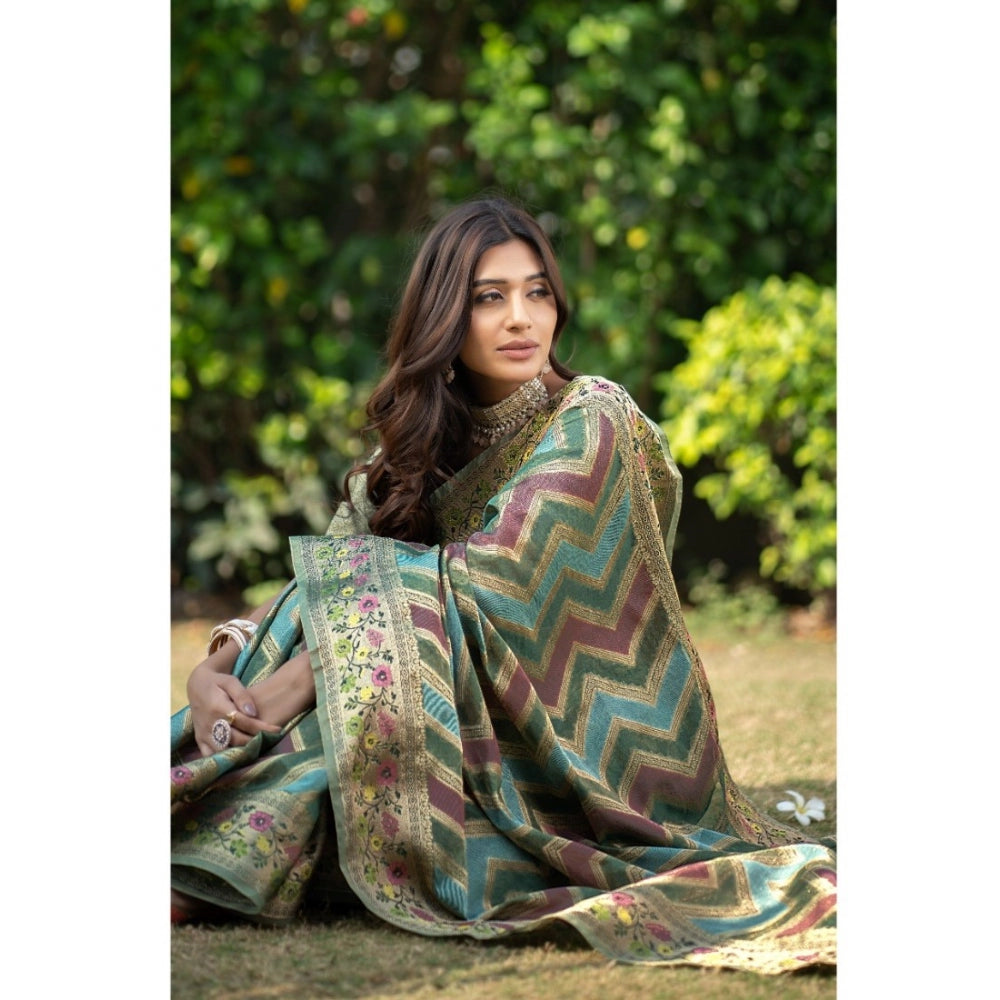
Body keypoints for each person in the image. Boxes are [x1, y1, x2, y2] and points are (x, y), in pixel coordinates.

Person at [171, 196, 836, 973]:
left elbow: (493, 573)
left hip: (572, 752)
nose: (521, 318)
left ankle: (205, 863)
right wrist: (218, 665)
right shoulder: (417, 451)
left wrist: (306, 676)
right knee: (357, 623)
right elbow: (319, 585)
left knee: (364, 672)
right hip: (448, 722)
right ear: (444, 317)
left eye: (537, 292)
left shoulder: (593, 417)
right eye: (490, 297)